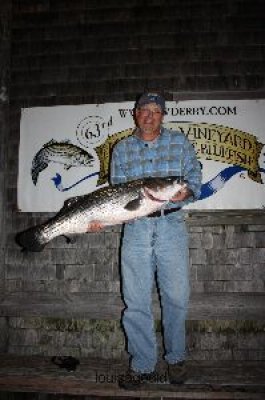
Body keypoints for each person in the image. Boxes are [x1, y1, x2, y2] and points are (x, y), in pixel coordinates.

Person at [89, 92, 202, 388]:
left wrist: (187, 191)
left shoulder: (179, 142)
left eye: (155, 110)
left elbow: (194, 175)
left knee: (176, 297)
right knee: (136, 300)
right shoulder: (122, 149)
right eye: (144, 110)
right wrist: (99, 218)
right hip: (136, 229)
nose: (149, 115)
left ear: (163, 115)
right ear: (135, 114)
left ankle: (175, 359)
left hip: (172, 226)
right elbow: (115, 193)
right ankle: (142, 364)